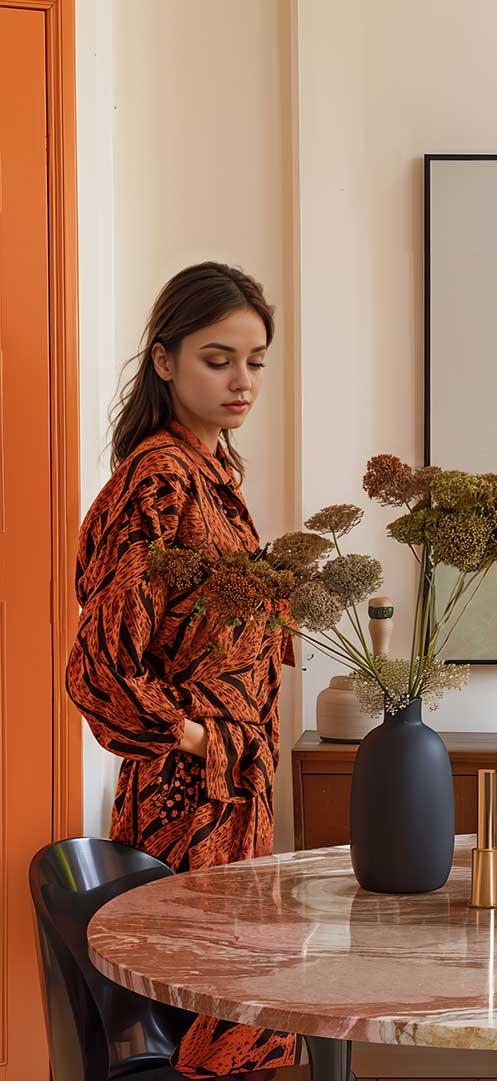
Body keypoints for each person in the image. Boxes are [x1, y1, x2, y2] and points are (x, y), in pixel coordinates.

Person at [65, 262, 298, 1078]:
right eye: (218, 357)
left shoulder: (211, 470)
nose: (243, 380)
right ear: (164, 361)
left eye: (256, 360)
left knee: (235, 1019)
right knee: (205, 1023)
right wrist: (196, 737)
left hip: (234, 801)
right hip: (186, 803)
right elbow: (97, 666)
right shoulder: (161, 477)